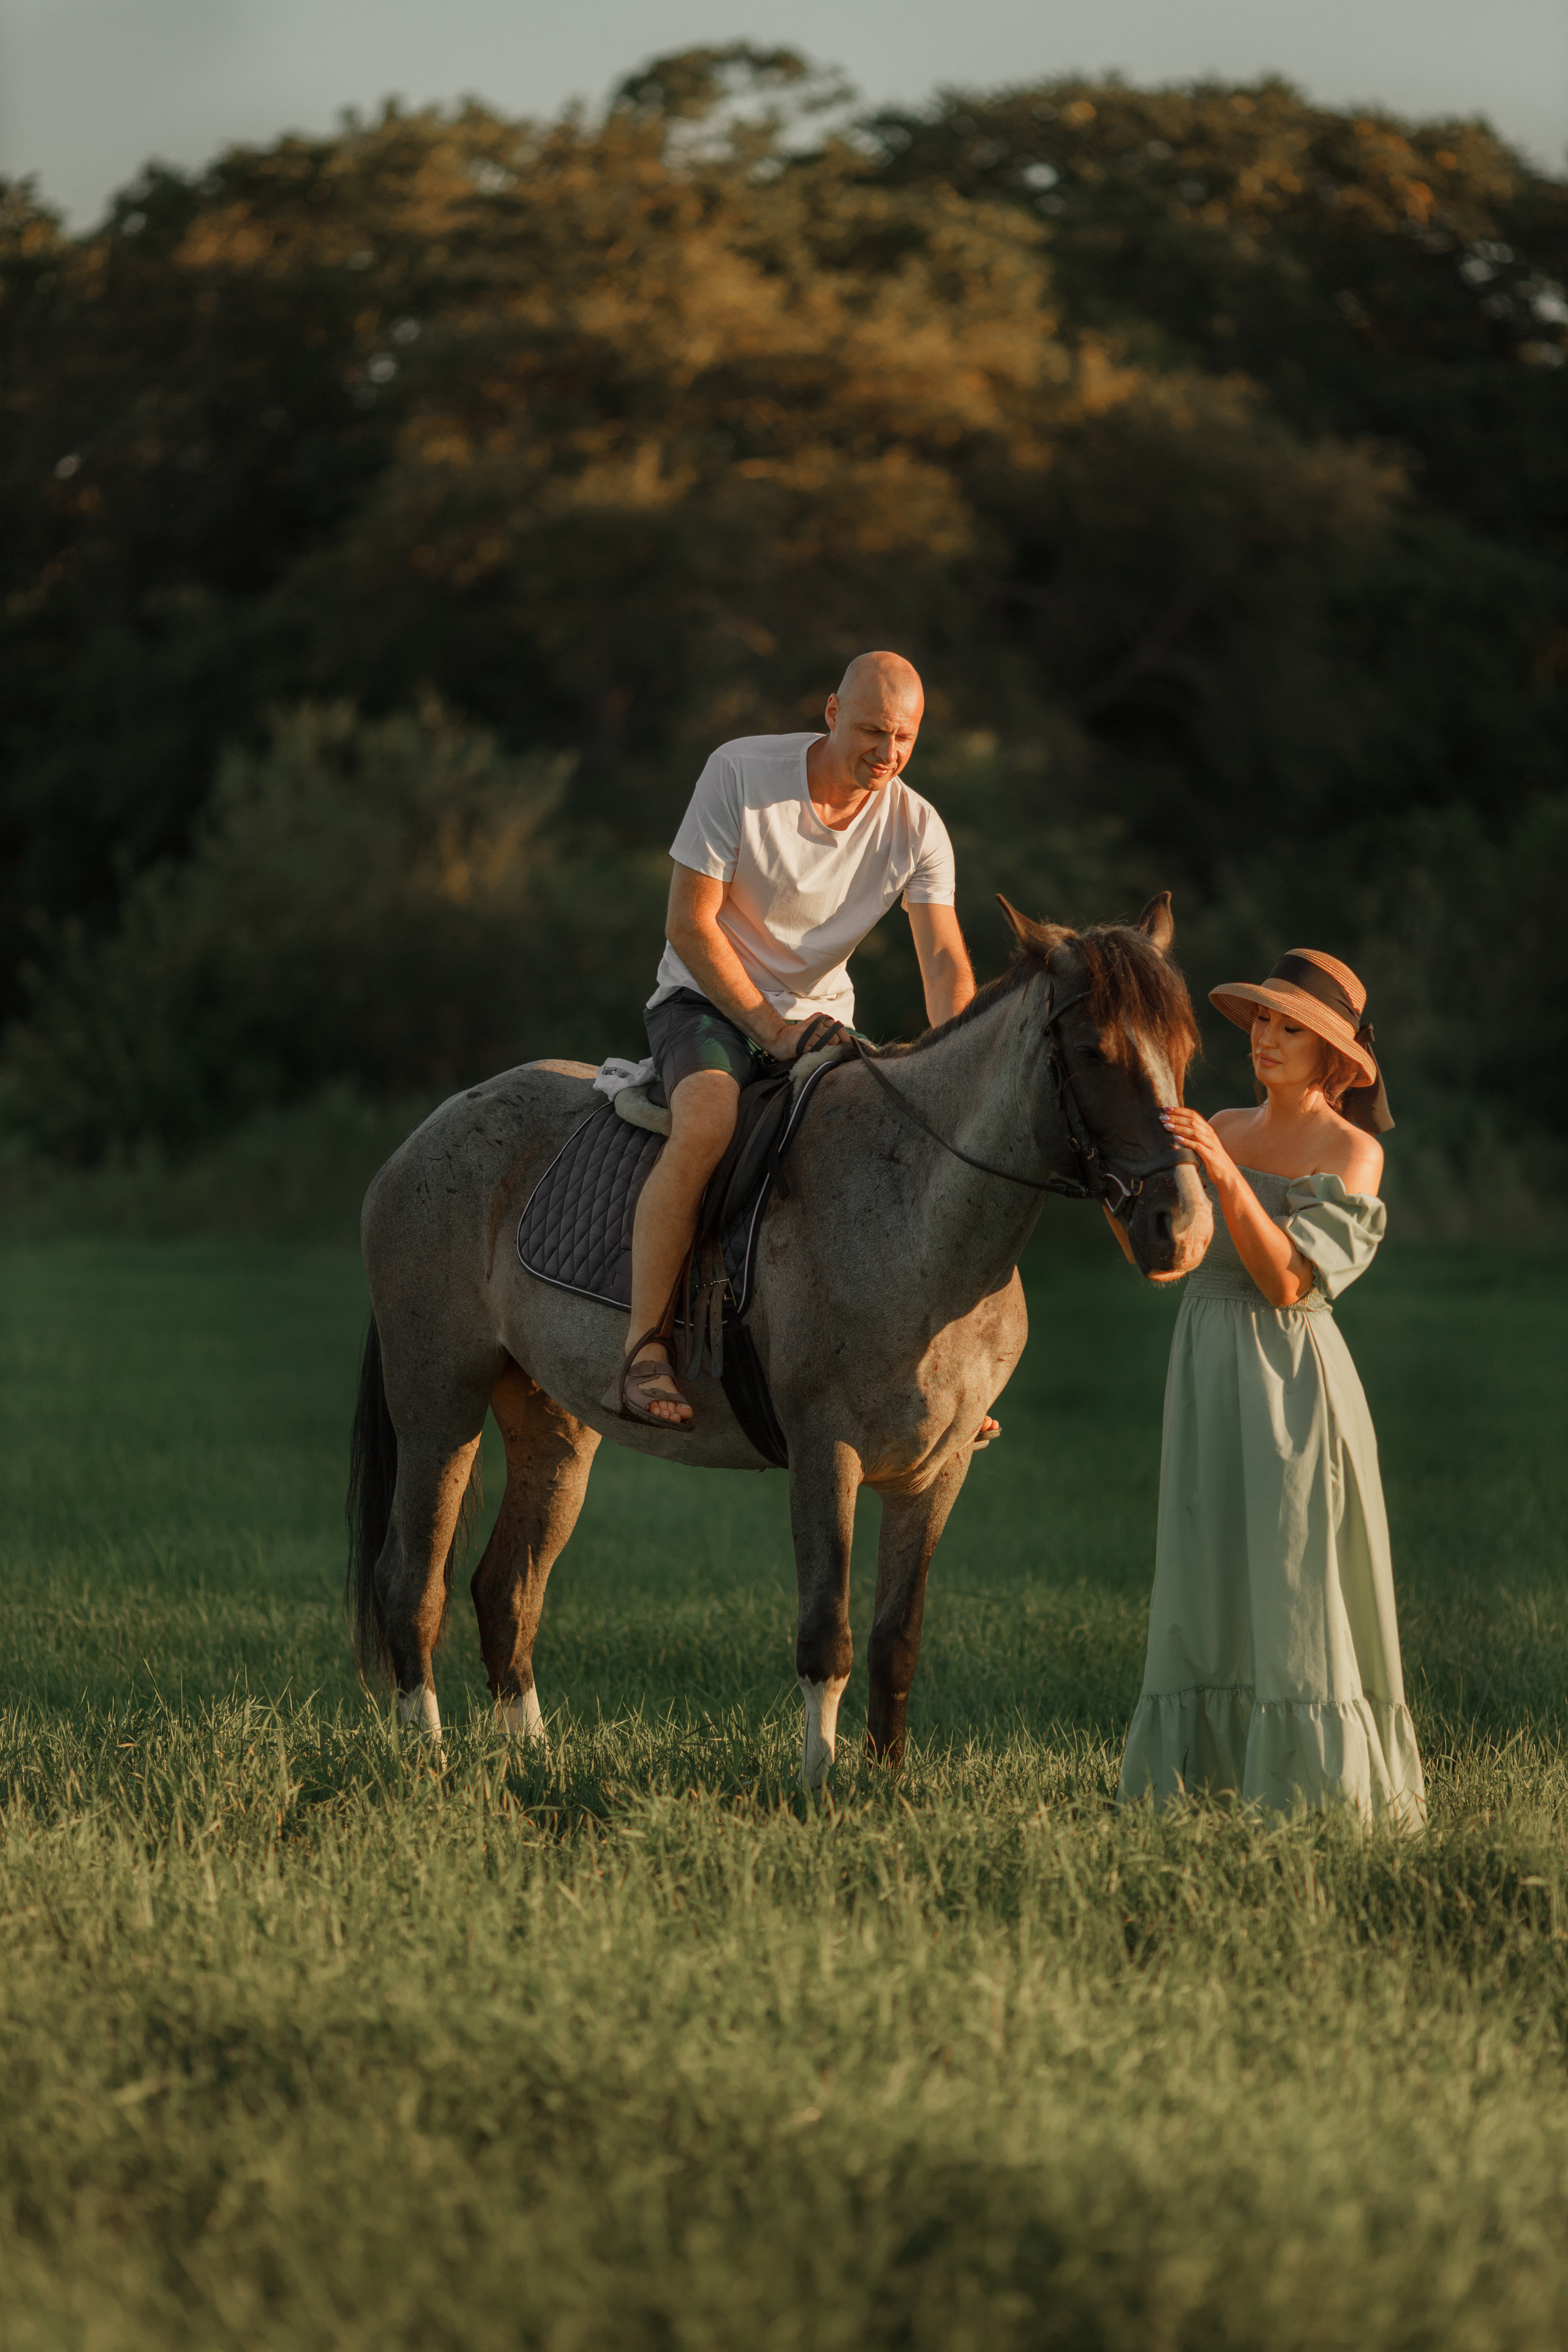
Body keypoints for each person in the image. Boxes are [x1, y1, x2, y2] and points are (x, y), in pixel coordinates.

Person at [607, 650, 977, 1430]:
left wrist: (962, 1070)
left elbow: (944, 962)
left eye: (905, 737)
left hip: (820, 1018)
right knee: (709, 1119)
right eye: (873, 729)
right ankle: (642, 1351)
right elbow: (687, 924)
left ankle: (927, 1368)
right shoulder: (740, 772)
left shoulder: (918, 826)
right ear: (832, 713)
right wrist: (767, 1027)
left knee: (889, 1146)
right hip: (704, 998)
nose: (887, 753)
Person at [1118, 948, 1425, 1828]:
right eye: (1262, 1020)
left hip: (1290, 1381)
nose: (1267, 1037)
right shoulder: (1219, 1119)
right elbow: (1179, 1262)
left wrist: (1221, 1169)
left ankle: (1311, 1798)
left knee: (1295, 1576)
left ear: (1337, 1056)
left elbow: (1288, 1282)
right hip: (1205, 1365)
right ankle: (1197, 1788)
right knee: (1206, 1572)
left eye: (1292, 1028)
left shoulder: (1352, 1153)